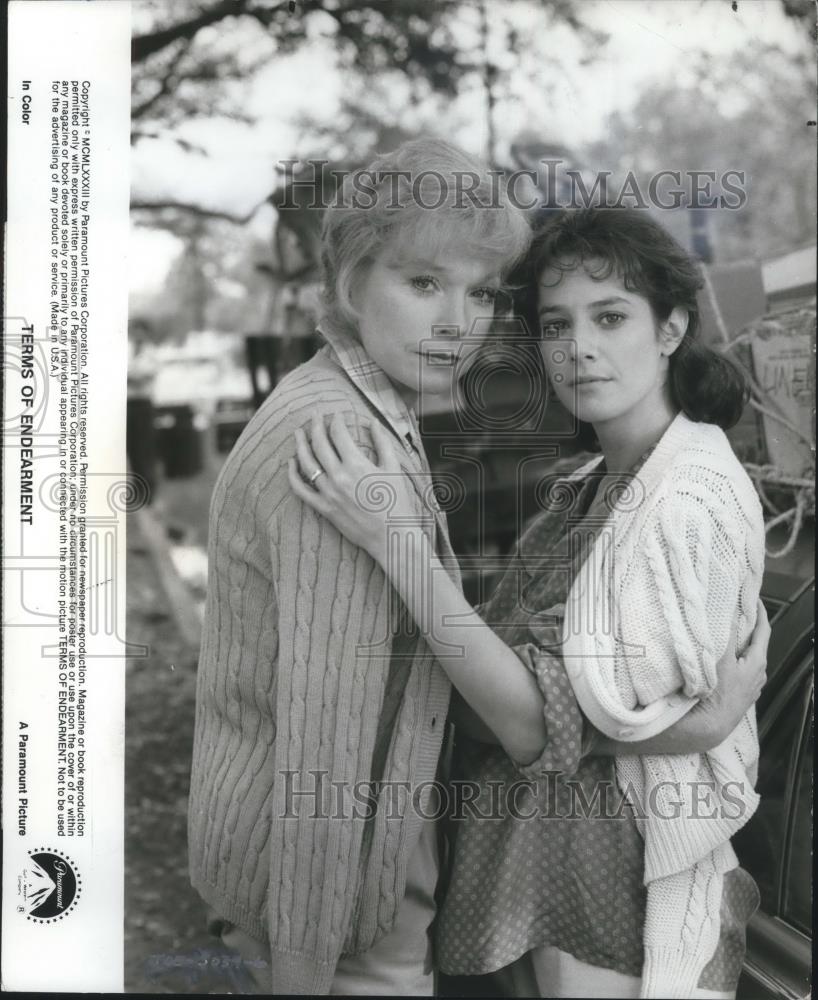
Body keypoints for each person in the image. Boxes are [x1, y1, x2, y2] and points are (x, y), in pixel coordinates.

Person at [290, 206, 769, 999]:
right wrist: (697, 723)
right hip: (520, 870)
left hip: (595, 884)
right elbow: (495, 702)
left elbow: (521, 721)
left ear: (672, 327)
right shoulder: (582, 492)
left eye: (611, 317)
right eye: (556, 324)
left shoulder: (683, 500)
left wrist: (395, 541)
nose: (578, 347)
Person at [186, 136, 531, 995]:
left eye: (480, 291)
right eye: (423, 283)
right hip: (334, 915)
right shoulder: (336, 442)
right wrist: (304, 969)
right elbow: (325, 747)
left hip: (343, 876)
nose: (460, 322)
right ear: (350, 284)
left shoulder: (367, 405)